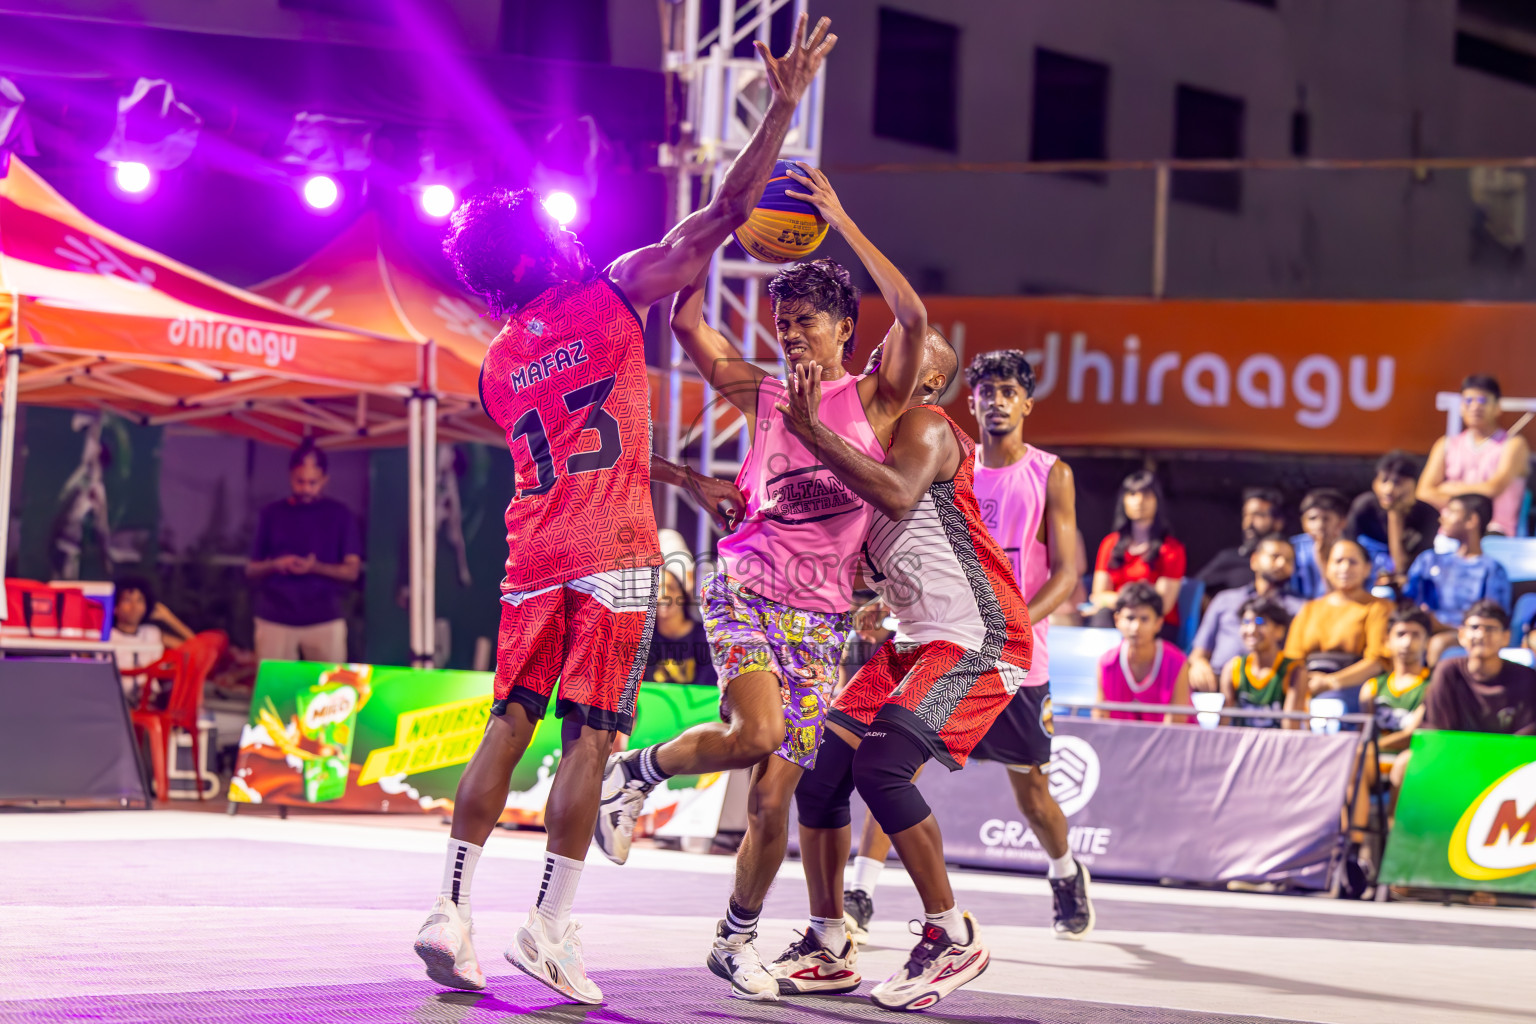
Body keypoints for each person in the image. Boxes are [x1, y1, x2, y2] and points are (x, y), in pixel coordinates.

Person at [411, 14, 836, 1004]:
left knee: (505, 728)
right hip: (611, 552)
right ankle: (550, 928)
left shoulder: (496, 363)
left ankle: (450, 909)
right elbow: (730, 208)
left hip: (532, 556)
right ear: (544, 241)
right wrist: (778, 104)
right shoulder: (612, 293)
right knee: (589, 741)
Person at [594, 159, 937, 1002]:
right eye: (783, 321)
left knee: (776, 801)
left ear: (843, 332)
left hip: (822, 620)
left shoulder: (881, 401)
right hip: (745, 586)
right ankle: (635, 771)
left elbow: (915, 315)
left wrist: (842, 218)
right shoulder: (766, 393)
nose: (789, 334)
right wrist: (721, 218)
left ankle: (733, 936)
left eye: (806, 322)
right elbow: (686, 325)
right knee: (755, 737)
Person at [774, 330, 1022, 1011]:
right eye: (876, 358)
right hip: (911, 637)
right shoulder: (864, 442)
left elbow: (898, 494)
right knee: (820, 776)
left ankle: (951, 933)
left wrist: (810, 431)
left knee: (880, 769)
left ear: (928, 383)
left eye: (894, 360)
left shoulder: (927, 425)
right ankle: (828, 943)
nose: (879, 368)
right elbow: (877, 546)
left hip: (979, 635)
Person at [834, 348, 1093, 953]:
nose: (996, 401)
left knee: (1031, 788)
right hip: (944, 639)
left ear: (1026, 403)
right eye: (986, 391)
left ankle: (1063, 872)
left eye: (1008, 391)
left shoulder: (1049, 472)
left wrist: (1003, 625)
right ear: (968, 400)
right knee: (895, 756)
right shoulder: (944, 452)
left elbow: (1067, 572)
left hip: (1014, 650)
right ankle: (861, 891)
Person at [1395, 600, 1536, 788]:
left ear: (1506, 637)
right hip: (1452, 759)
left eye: (1490, 628)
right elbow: (1436, 731)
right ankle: (1394, 819)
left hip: (1508, 766)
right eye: (1474, 627)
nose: (1481, 634)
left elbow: (1525, 740)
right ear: (1461, 635)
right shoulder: (1448, 672)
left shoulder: (1526, 677)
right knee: (1405, 763)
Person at [245, 442, 362, 663]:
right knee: (274, 692)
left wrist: (314, 567)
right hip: (275, 616)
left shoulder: (340, 514)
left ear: (324, 480)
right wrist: (276, 564)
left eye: (313, 482)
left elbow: (351, 571)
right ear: (291, 476)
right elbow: (251, 568)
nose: (306, 488)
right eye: (300, 481)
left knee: (330, 692)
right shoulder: (272, 513)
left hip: (324, 617)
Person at [1187, 534, 1306, 693]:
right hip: (1217, 682)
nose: (1282, 563)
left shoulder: (1301, 608)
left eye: (1289, 560)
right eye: (1275, 556)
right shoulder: (1225, 600)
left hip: (1272, 687)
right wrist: (1198, 664)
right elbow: (1198, 653)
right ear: (1254, 560)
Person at [1417, 374, 1530, 537]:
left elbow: (1493, 488)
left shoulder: (1514, 445)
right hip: (1448, 534)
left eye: (1483, 400)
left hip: (1495, 535)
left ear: (1497, 407)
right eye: (1468, 401)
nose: (1475, 406)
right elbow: (1423, 492)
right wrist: (1466, 501)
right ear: (1461, 407)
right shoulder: (1445, 444)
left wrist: (1447, 489)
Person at [1404, 493, 1511, 663]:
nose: (1442, 517)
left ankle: (1432, 689)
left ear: (1471, 520)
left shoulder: (1491, 570)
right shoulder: (1428, 560)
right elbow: (1407, 601)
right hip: (1419, 629)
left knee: (1438, 643)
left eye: (1452, 511)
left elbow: (1493, 619)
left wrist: (1442, 626)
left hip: (1465, 635)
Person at [1283, 538, 1391, 708]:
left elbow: (1377, 662)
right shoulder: (1310, 608)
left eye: (1352, 562)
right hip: (1308, 687)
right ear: (1327, 567)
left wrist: (1331, 682)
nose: (1345, 568)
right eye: (1338, 561)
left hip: (1352, 689)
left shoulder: (1378, 607)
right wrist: (1307, 683)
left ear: (1367, 569)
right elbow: (1292, 658)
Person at [1087, 471, 1186, 636]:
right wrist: (1125, 604)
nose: (1139, 501)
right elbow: (1098, 596)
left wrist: (1116, 600)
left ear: (1157, 501)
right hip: (1118, 621)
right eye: (1132, 494)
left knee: (1137, 623)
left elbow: (1162, 604)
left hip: (1154, 626)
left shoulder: (1171, 549)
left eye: (1146, 495)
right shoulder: (1110, 543)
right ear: (1123, 500)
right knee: (1102, 616)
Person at [1096, 582, 1190, 724]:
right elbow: (1100, 718)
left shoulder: (1177, 662)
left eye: (1144, 619)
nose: (1136, 627)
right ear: (1117, 620)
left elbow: (1176, 726)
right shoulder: (1106, 663)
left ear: (1158, 623)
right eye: (1130, 618)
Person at [1346, 451, 1440, 586]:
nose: (1388, 489)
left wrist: (1395, 515)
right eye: (1384, 480)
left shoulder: (1428, 515)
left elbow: (1403, 569)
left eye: (1397, 483)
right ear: (1375, 482)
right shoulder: (1364, 507)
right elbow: (1348, 547)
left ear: (1413, 485)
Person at [1219, 596, 1304, 729]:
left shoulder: (1294, 670)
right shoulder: (1233, 668)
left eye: (1260, 622)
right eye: (1246, 622)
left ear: (1279, 631)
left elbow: (1290, 728)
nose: (1251, 630)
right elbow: (1223, 725)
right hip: (1241, 746)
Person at [1361, 606, 1434, 755]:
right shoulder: (1372, 687)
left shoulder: (1432, 686)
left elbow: (1410, 736)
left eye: (1415, 635)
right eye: (1400, 634)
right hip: (1373, 763)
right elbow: (1364, 733)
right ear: (1387, 641)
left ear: (1427, 642)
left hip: (1411, 764)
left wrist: (1369, 748)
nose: (1407, 642)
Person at [109, 575, 193, 697]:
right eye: (127, 600)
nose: (135, 606)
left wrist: (169, 618)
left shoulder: (152, 633)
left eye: (140, 600)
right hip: (116, 700)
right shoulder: (107, 636)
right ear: (115, 607)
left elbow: (197, 648)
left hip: (149, 700)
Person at [1194, 487, 1285, 598]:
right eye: (1246, 515)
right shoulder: (1230, 558)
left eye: (1258, 515)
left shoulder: (1293, 559)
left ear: (1278, 522)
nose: (1249, 523)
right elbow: (1193, 587)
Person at [1290, 488, 1349, 600]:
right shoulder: (1293, 548)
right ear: (1303, 522)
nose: (1319, 525)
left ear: (1342, 522)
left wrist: (1322, 558)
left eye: (1326, 519)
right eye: (1312, 518)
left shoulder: (1353, 550)